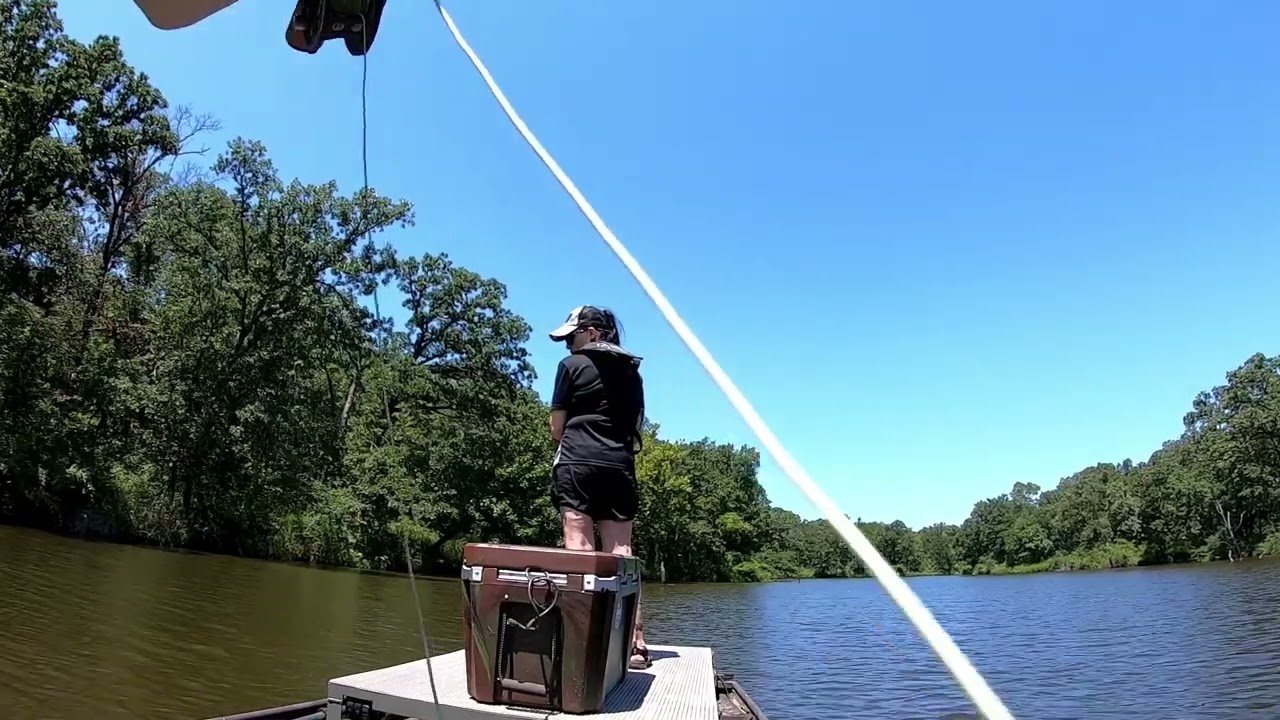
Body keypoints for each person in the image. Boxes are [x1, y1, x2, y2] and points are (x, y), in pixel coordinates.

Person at [546, 305, 650, 669]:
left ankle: (582, 639)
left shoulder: (571, 367)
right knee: (622, 550)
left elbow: (557, 427)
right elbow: (636, 423)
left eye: (571, 338)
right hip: (619, 465)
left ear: (592, 332)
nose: (568, 347)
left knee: (578, 545)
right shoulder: (633, 374)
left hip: (577, 461)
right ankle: (635, 643)